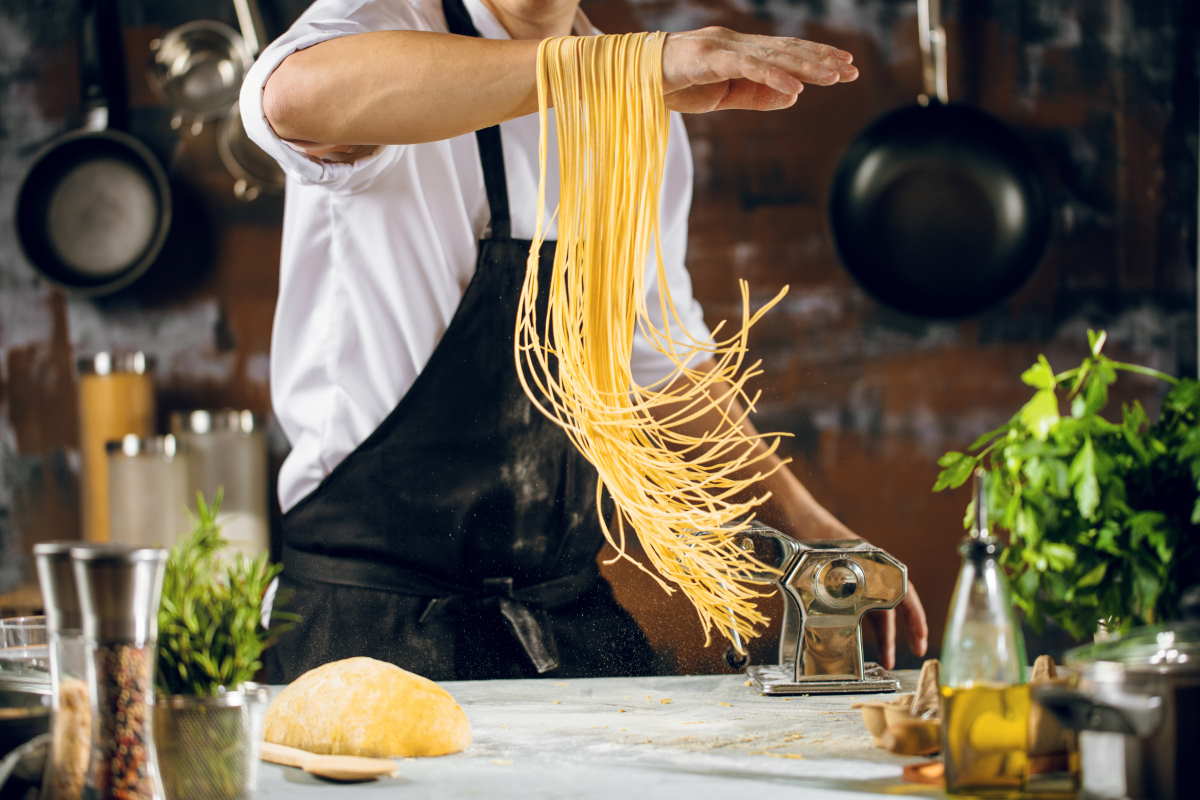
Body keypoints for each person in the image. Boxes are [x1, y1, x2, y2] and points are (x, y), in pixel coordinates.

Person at [241, 0, 928, 683]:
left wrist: (810, 528)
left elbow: (662, 375)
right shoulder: (379, 26)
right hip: (369, 626)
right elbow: (292, 99)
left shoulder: (638, 103)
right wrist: (621, 64)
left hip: (560, 620)